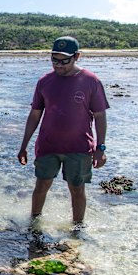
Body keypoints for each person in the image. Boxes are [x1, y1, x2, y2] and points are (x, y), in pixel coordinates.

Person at [17, 36, 109, 229]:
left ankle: (77, 230)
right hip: (47, 146)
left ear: (77, 56)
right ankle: (34, 225)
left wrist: (100, 148)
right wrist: (23, 146)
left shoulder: (91, 81)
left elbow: (100, 116)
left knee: (77, 189)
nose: (58, 65)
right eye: (54, 60)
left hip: (79, 148)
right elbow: (35, 114)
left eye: (64, 61)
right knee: (41, 186)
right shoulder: (44, 81)